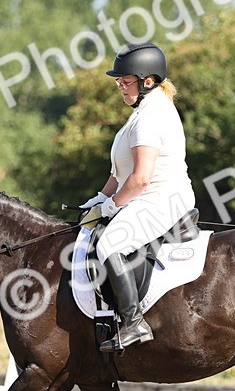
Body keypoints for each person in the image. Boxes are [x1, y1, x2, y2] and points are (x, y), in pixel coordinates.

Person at [79, 42, 196, 352]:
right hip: (145, 195)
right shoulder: (142, 112)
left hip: (161, 197)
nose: (120, 86)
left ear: (147, 81)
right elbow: (120, 173)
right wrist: (96, 200)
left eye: (125, 80)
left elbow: (141, 178)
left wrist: (111, 205)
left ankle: (133, 322)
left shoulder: (151, 116)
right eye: (119, 81)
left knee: (110, 243)